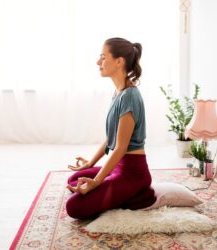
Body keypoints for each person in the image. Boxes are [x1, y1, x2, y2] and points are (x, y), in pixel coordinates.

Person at [66, 37, 156, 219]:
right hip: (118, 167)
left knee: (73, 207)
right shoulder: (119, 93)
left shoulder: (130, 96)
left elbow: (121, 147)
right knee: (74, 179)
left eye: (103, 57)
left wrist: (97, 181)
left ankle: (138, 193)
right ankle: (121, 191)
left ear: (119, 61)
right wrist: (90, 163)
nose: (98, 62)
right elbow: (111, 139)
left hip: (133, 173)